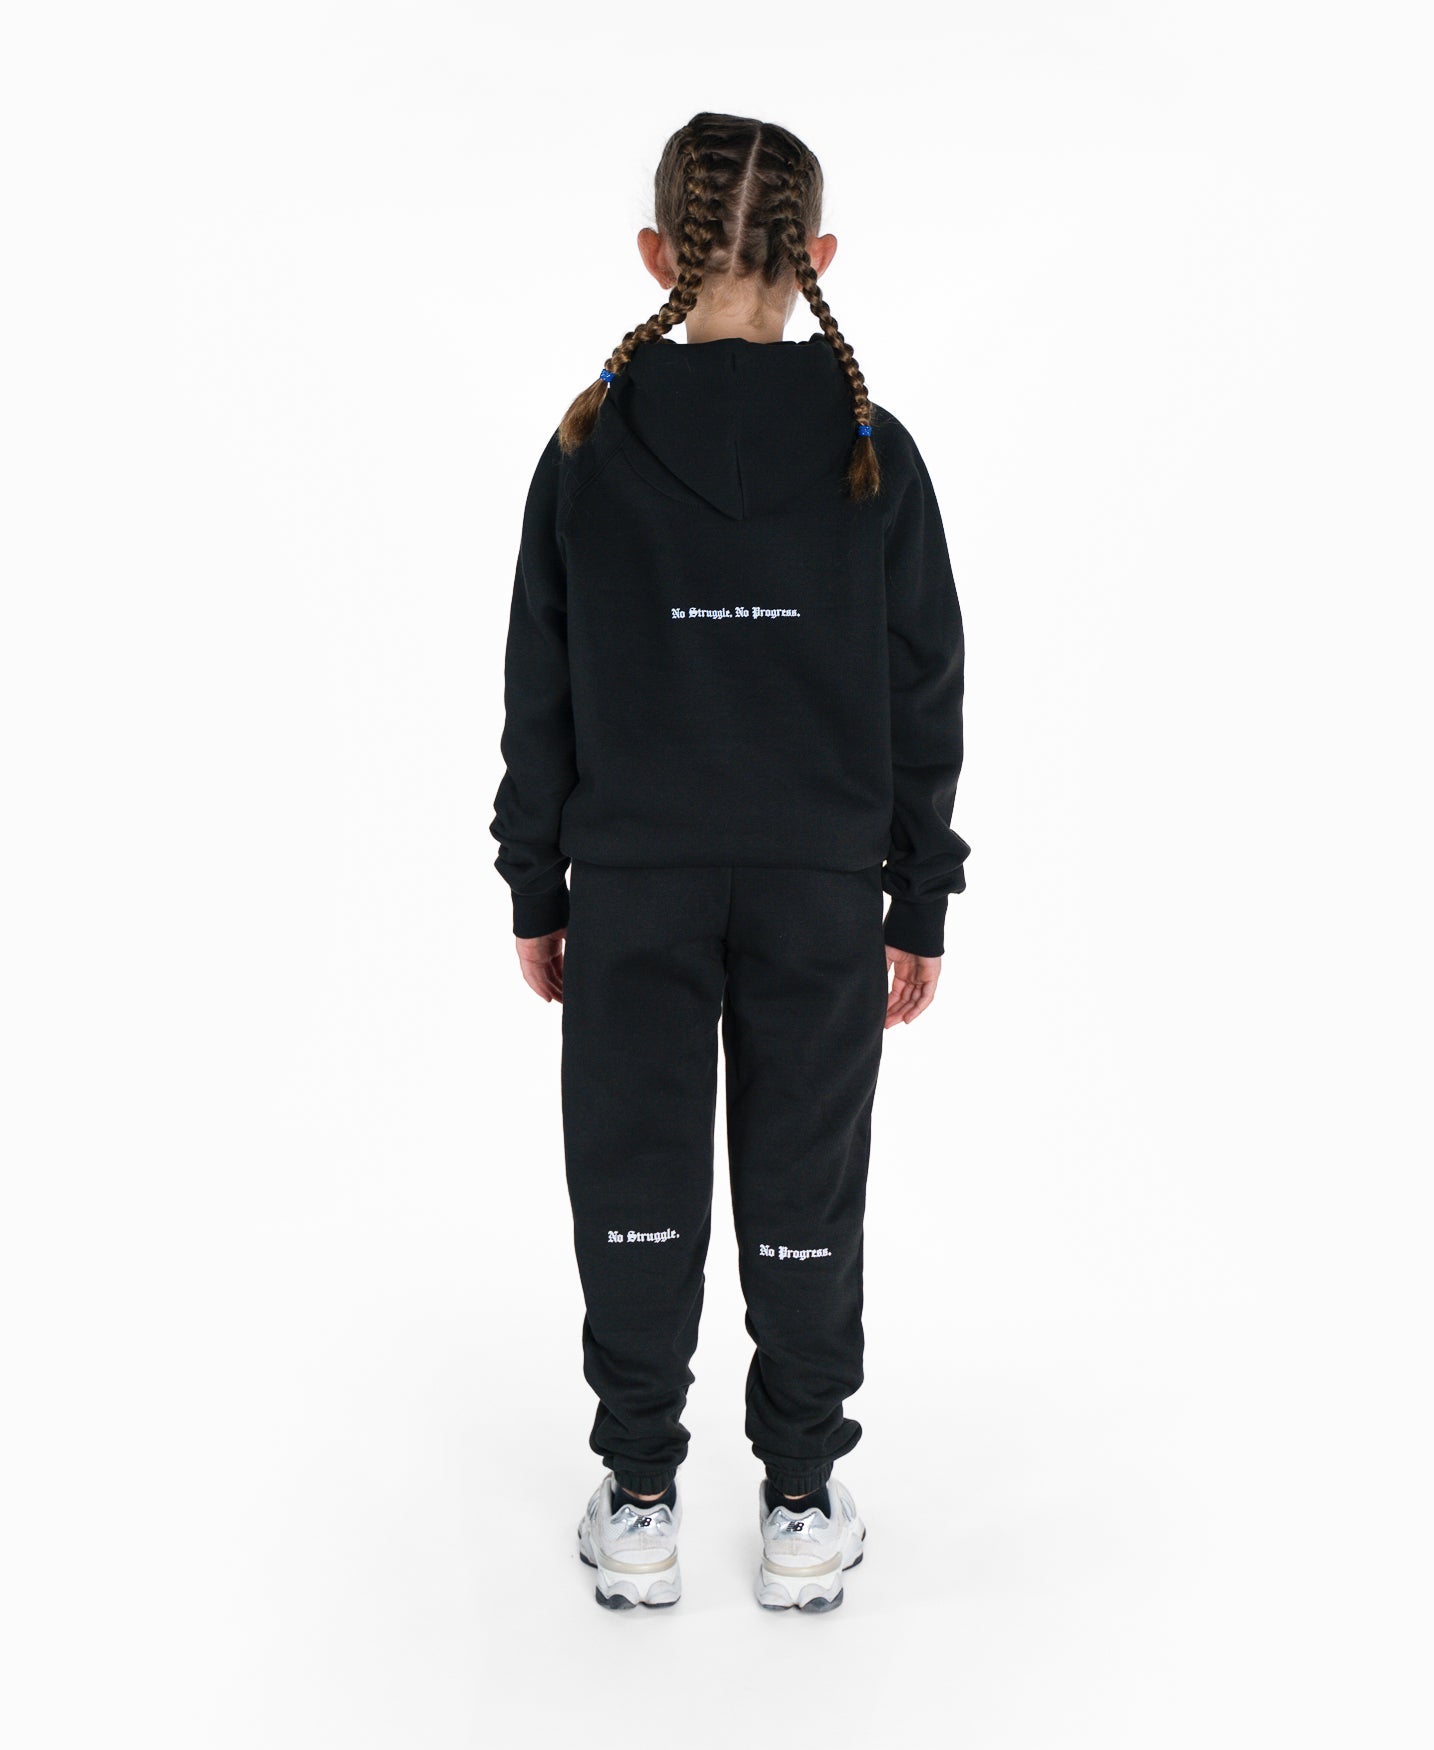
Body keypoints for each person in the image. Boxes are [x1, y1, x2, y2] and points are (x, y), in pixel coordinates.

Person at [489, 112, 968, 1612]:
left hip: (633, 883)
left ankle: (640, 1497)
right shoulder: (873, 452)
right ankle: (802, 1500)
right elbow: (925, 690)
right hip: (820, 887)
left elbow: (539, 689)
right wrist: (916, 895)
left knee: (633, 1178)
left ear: (659, 256)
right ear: (817, 255)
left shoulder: (588, 444)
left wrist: (537, 884)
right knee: (805, 1184)